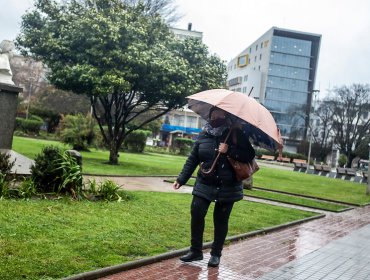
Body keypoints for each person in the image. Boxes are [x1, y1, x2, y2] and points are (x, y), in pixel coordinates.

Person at [173, 107, 255, 267]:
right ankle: (195, 251)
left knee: (221, 220)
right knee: (196, 212)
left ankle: (216, 254)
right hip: (205, 181)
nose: (216, 116)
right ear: (209, 115)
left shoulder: (235, 133)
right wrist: (181, 179)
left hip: (228, 185)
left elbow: (249, 155)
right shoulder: (204, 133)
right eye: (213, 113)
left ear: (226, 116)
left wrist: (229, 150)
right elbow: (193, 158)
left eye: (220, 114)